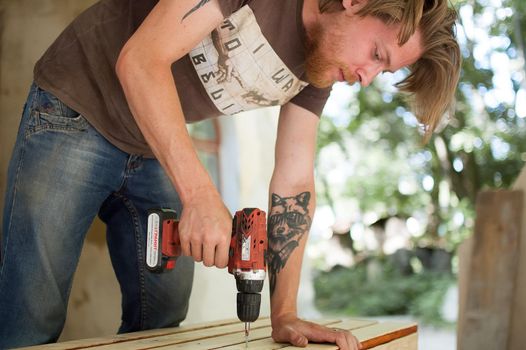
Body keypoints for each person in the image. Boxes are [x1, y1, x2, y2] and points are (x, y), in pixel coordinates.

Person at [0, 0, 460, 348]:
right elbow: (140, 61)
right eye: (377, 53)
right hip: (75, 107)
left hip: (151, 140)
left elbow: (294, 179)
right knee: (31, 312)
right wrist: (200, 196)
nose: (366, 77)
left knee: (162, 314)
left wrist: (284, 315)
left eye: (384, 70)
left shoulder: (321, 65)